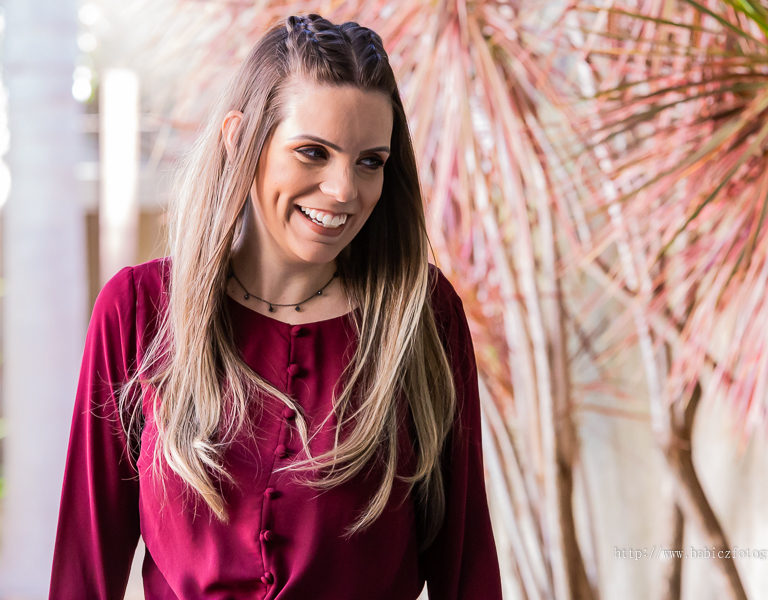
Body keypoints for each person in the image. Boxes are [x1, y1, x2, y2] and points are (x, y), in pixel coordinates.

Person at [49, 14, 502, 599]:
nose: (345, 189)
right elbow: (82, 572)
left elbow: (467, 571)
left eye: (370, 161)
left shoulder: (421, 318)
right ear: (240, 138)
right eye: (313, 152)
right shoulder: (138, 312)